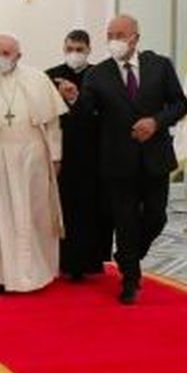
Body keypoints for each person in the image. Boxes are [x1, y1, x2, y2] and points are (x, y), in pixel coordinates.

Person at [56, 15, 187, 305]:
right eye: (110, 34)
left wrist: (156, 121)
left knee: (156, 217)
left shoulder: (160, 66)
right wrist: (75, 98)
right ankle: (130, 278)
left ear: (135, 38)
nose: (114, 39)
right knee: (125, 222)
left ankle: (127, 255)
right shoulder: (98, 74)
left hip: (155, 157)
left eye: (120, 34)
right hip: (117, 161)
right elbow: (85, 118)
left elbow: (180, 103)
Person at [0, 34, 67, 294]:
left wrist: (55, 156)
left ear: (19, 56)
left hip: (32, 155)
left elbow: (52, 124)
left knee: (36, 214)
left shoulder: (38, 79)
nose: (1, 58)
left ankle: (38, 274)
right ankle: (6, 276)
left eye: (6, 53)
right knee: (1, 217)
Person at [46, 30, 111, 282]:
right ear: (64, 48)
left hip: (92, 152)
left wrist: (76, 97)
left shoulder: (100, 75)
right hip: (61, 152)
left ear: (89, 50)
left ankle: (89, 262)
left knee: (90, 209)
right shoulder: (50, 76)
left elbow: (105, 111)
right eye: (70, 48)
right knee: (63, 207)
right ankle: (62, 261)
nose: (74, 54)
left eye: (79, 49)